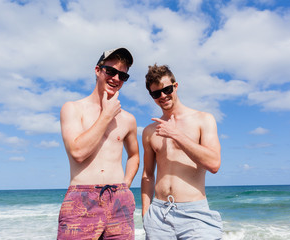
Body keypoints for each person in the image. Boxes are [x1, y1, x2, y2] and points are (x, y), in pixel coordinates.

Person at [57, 47, 140, 239]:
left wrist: (125, 187)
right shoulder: (72, 109)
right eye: (111, 71)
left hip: (120, 201)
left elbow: (134, 155)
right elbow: (78, 152)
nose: (116, 78)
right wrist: (107, 115)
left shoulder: (128, 119)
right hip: (82, 199)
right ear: (97, 70)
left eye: (123, 76)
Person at [141, 64, 223, 239]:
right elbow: (148, 174)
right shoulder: (149, 131)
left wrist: (176, 135)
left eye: (167, 89)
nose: (162, 96)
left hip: (195, 214)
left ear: (175, 86)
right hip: (158, 215)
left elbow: (214, 164)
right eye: (156, 94)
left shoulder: (203, 119)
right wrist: (146, 213)